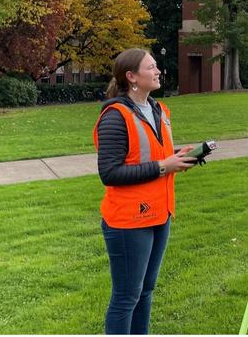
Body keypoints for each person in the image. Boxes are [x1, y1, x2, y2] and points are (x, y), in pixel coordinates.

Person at [94, 48, 199, 334]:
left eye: (156, 66)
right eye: (150, 67)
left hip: (159, 214)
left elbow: (154, 155)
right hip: (129, 221)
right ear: (131, 77)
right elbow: (110, 173)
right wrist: (165, 166)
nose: (158, 71)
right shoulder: (115, 116)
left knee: (145, 291)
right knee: (126, 296)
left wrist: (178, 157)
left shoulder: (159, 110)